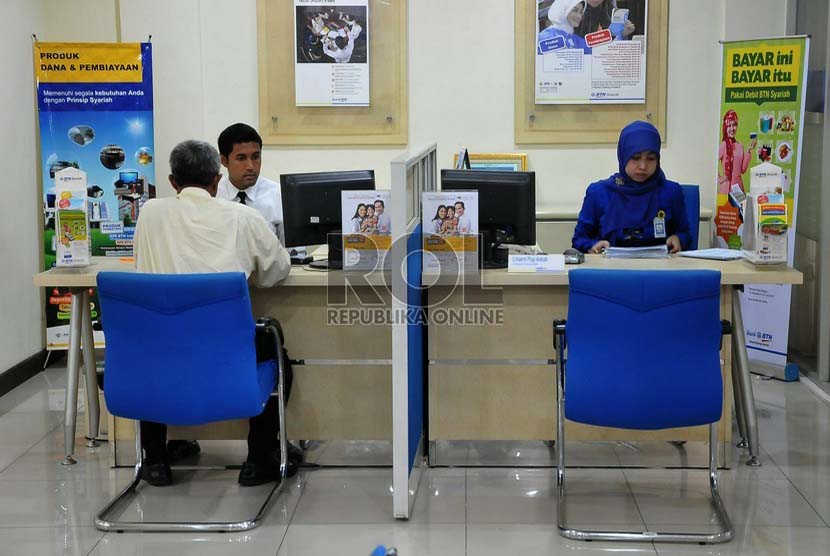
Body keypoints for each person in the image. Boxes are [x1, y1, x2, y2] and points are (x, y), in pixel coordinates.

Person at [134, 140, 295, 488]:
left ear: (173, 182)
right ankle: (258, 459)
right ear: (216, 178)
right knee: (273, 346)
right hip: (225, 356)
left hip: (160, 352)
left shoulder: (148, 214)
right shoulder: (243, 218)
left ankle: (155, 458)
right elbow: (278, 270)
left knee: (154, 347)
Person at [572, 120, 692, 254]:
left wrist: (678, 239)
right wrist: (593, 245)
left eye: (651, 158)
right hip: (610, 272)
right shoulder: (598, 193)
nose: (643, 166)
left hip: (659, 271)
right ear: (623, 155)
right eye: (635, 158)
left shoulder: (671, 192)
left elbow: (685, 234)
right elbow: (579, 240)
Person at [216, 123, 285, 244]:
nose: (250, 166)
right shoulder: (214, 195)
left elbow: (292, 255)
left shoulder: (278, 195)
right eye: (241, 158)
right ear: (224, 161)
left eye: (255, 157)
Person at [718, 110, 755, 194]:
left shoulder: (740, 145)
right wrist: (720, 179)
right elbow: (711, 162)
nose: (732, 129)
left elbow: (742, 170)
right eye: (729, 125)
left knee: (740, 207)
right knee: (726, 207)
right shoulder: (723, 145)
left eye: (734, 125)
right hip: (727, 187)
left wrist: (748, 151)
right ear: (725, 127)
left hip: (738, 186)